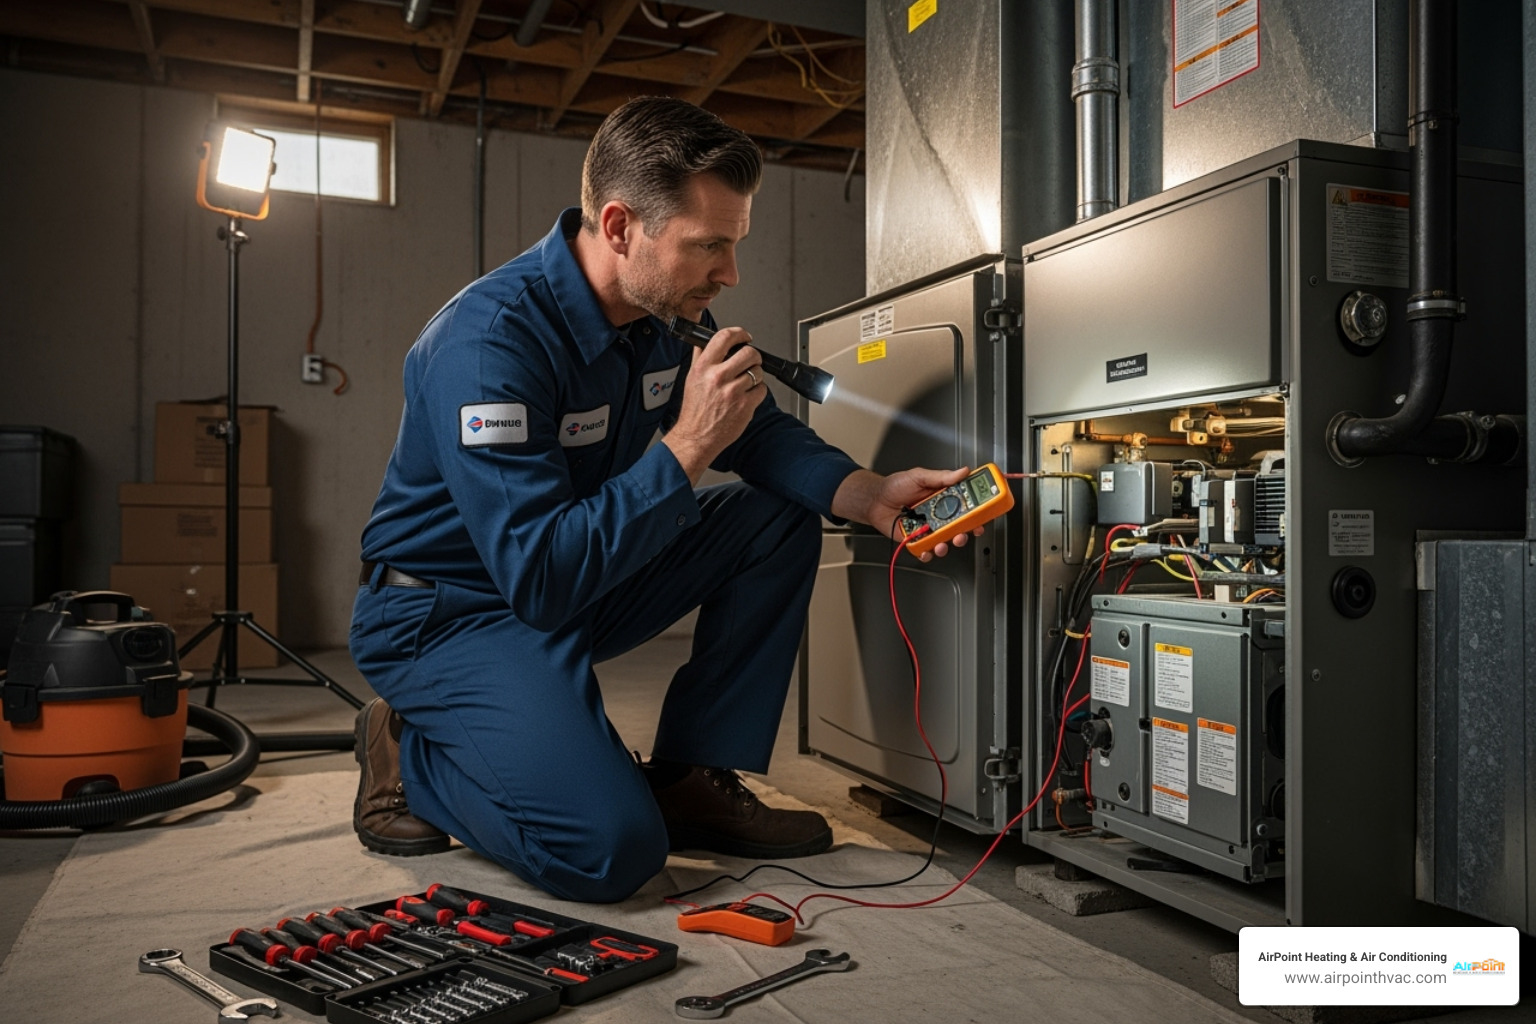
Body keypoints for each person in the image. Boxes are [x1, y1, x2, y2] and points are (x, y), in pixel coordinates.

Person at [350, 96, 979, 903]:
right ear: (620, 227)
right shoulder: (487, 347)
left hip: (572, 577)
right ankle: (411, 747)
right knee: (608, 853)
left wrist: (870, 494)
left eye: (734, 243)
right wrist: (685, 447)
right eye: (709, 246)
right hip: (453, 614)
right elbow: (540, 578)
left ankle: (689, 774)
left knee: (776, 514)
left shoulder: (659, 314)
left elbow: (752, 435)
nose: (730, 273)